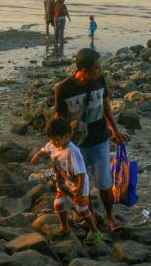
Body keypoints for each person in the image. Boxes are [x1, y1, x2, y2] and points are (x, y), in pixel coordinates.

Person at [54, 48, 128, 231]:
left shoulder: (99, 81)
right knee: (83, 184)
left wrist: (115, 131)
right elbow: (58, 118)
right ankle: (93, 215)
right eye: (96, 67)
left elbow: (106, 106)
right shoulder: (63, 89)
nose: (100, 71)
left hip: (100, 139)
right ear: (83, 70)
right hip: (77, 145)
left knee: (104, 183)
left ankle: (110, 217)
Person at [30, 118, 103, 243]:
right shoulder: (53, 144)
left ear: (67, 136)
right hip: (64, 184)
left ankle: (95, 231)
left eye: (57, 140)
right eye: (52, 139)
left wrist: (79, 192)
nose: (54, 143)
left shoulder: (72, 151)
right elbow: (45, 149)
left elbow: (81, 174)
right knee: (58, 205)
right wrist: (37, 155)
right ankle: (65, 228)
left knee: (82, 210)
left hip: (79, 185)